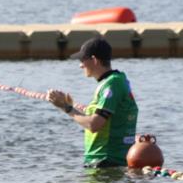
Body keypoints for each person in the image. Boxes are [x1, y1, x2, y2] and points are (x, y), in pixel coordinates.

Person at [47, 37, 138, 168]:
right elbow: (99, 119)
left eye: (82, 60)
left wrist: (66, 108)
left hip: (107, 162)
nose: (80, 65)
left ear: (94, 60)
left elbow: (94, 124)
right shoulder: (113, 81)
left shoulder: (112, 84)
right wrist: (68, 105)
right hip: (103, 162)